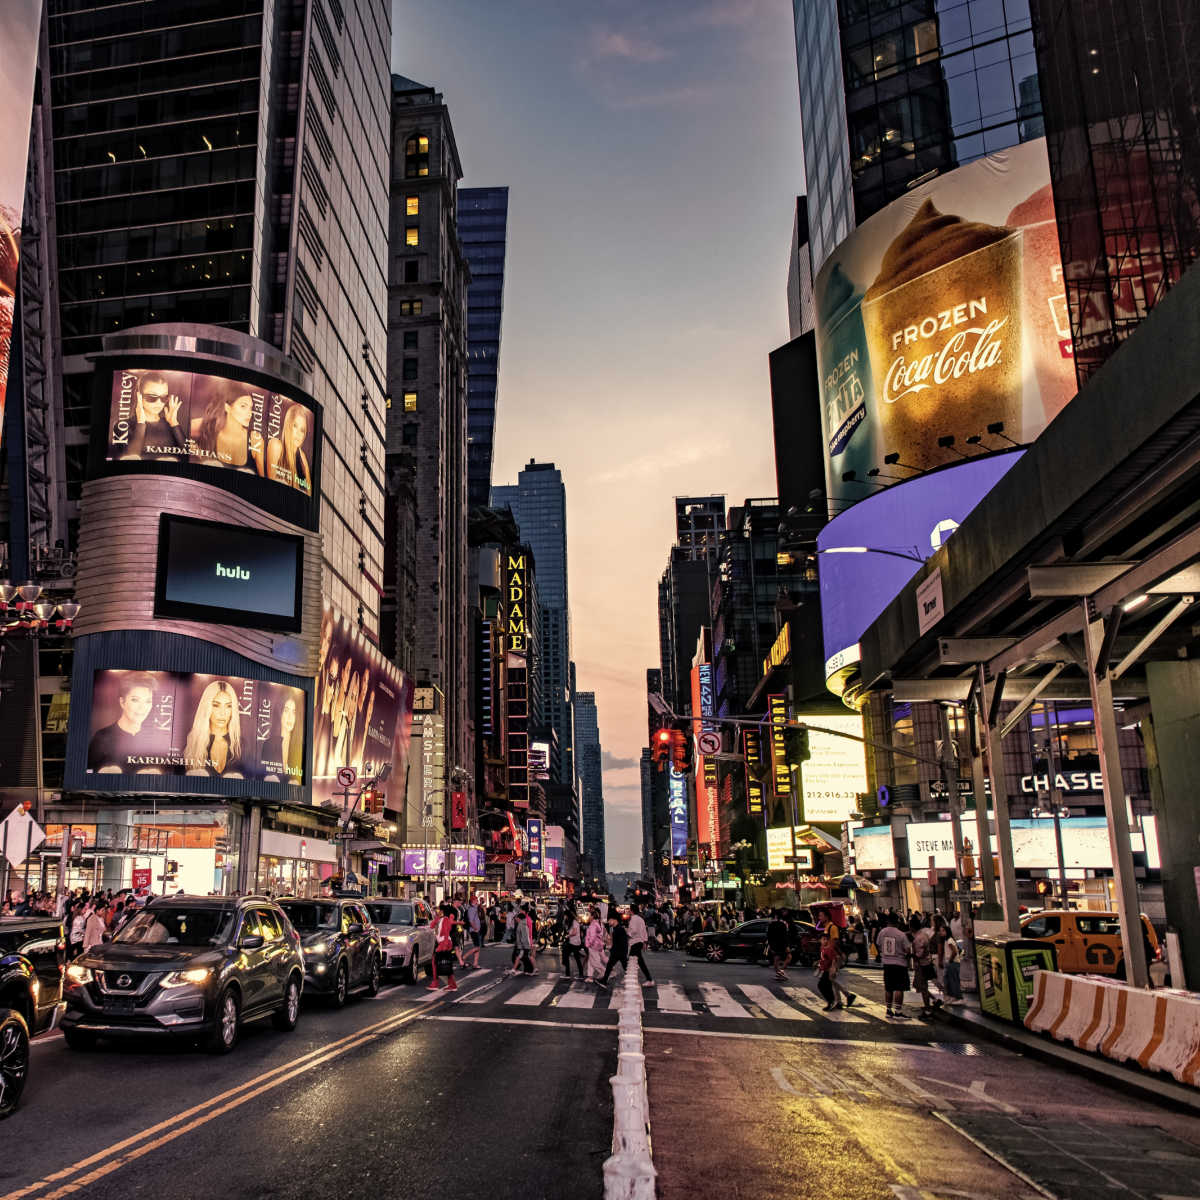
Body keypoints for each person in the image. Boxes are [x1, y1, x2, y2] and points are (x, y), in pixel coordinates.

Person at [87, 672, 158, 774]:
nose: (142, 708)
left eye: (148, 701)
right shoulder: (102, 737)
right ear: (122, 702)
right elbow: (88, 772)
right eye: (135, 700)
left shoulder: (155, 739)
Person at [189, 388, 265, 472]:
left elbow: (263, 479)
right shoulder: (209, 426)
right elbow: (184, 429)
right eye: (243, 406)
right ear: (227, 407)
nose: (249, 413)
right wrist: (196, 451)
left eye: (250, 408)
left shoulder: (255, 439)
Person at [184, 679, 244, 777]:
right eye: (216, 705)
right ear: (206, 707)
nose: (222, 713)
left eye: (228, 706)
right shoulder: (192, 743)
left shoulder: (242, 746)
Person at [122, 372, 186, 460]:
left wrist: (174, 423)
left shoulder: (171, 424)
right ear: (139, 396)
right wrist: (141, 423)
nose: (159, 403)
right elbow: (131, 459)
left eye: (164, 397)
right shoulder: (123, 425)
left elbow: (188, 458)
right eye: (152, 397)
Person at [265, 401, 313, 494]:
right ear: (288, 425)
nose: (298, 433)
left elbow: (309, 494)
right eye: (295, 426)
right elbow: (270, 486)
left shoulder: (303, 458)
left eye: (302, 430)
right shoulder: (276, 445)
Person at [876, 914, 913, 1019]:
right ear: (897, 922)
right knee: (899, 988)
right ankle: (898, 1011)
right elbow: (907, 949)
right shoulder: (901, 934)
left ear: (888, 921)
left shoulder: (882, 932)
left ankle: (888, 1010)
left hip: (887, 964)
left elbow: (878, 945)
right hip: (899, 964)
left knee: (889, 988)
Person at [260, 694, 303, 784]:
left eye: (294, 712)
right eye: (286, 711)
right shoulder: (269, 745)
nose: (290, 717)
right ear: (280, 713)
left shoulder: (300, 747)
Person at [910, 915, 941, 1017]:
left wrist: (910, 955)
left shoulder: (918, 938)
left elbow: (920, 954)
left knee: (922, 987)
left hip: (921, 965)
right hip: (925, 963)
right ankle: (935, 1000)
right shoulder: (923, 935)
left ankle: (927, 1009)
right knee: (919, 986)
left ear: (912, 928)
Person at [427, 903, 458, 992]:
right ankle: (451, 985)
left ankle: (436, 983)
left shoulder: (445, 920)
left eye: (439, 910)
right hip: (443, 943)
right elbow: (431, 925)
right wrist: (437, 918)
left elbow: (446, 934)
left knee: (441, 963)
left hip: (445, 943)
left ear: (442, 911)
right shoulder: (440, 919)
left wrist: (442, 947)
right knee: (445, 963)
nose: (437, 911)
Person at [597, 913, 631, 989]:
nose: (608, 922)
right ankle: (604, 980)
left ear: (614, 920)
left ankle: (604, 981)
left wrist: (611, 949)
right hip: (620, 952)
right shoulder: (618, 929)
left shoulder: (618, 929)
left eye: (609, 920)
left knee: (611, 966)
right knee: (615, 966)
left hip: (618, 952)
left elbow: (620, 943)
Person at [625, 903, 654, 986]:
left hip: (635, 941)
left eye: (629, 909)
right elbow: (644, 931)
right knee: (637, 961)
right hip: (639, 942)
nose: (628, 911)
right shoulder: (641, 919)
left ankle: (649, 979)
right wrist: (645, 942)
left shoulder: (633, 919)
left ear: (632, 910)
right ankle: (648, 979)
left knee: (632, 960)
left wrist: (627, 934)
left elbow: (633, 930)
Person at [766, 909, 791, 981]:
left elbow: (769, 936)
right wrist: (787, 945)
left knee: (776, 959)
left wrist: (770, 945)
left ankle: (778, 973)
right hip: (782, 944)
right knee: (789, 957)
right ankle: (781, 972)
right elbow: (784, 936)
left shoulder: (771, 924)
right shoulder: (783, 924)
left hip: (774, 944)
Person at [561, 907, 585, 979]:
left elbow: (574, 932)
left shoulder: (574, 922)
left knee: (573, 957)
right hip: (573, 942)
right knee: (570, 956)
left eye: (565, 915)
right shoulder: (571, 922)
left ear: (568, 915)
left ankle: (569, 974)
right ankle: (570, 974)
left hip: (574, 943)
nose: (564, 917)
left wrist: (568, 935)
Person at [585, 907, 607, 981]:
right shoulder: (598, 923)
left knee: (595, 962)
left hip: (593, 945)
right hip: (597, 944)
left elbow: (593, 936)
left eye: (589, 915)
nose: (588, 917)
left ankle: (606, 972)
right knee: (590, 962)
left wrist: (588, 944)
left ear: (592, 916)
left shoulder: (593, 924)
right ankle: (590, 976)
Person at [463, 895, 483, 969]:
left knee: (477, 947)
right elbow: (471, 921)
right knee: (477, 947)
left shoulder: (475, 908)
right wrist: (475, 928)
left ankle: (475, 963)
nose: (477, 901)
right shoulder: (472, 909)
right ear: (473, 901)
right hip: (474, 930)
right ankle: (464, 956)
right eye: (476, 900)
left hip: (475, 930)